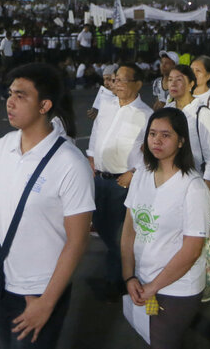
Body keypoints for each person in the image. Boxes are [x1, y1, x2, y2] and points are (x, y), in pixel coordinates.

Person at [0, 63, 95, 348]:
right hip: (3, 281)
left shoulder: (70, 164)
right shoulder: (6, 145)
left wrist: (47, 303)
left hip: (40, 292)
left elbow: (77, 242)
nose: (10, 102)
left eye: (21, 95)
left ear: (45, 105)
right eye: (10, 93)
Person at [121, 107, 210, 348]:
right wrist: (129, 275)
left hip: (176, 288)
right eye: (152, 134)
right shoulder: (141, 174)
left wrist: (153, 286)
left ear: (181, 141)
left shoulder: (193, 187)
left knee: (163, 342)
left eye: (165, 135)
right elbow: (129, 229)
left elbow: (192, 250)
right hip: (142, 277)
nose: (157, 140)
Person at [86, 63, 153, 300]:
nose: (118, 84)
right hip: (99, 177)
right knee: (102, 226)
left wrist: (134, 172)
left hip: (122, 183)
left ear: (138, 83)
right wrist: (91, 158)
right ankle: (123, 273)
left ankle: (119, 280)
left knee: (118, 234)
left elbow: (151, 151)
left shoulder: (145, 114)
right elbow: (96, 134)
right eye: (116, 80)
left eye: (123, 80)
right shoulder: (107, 105)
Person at [165, 64, 210, 191]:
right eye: (170, 80)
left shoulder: (201, 113)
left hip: (194, 183)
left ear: (191, 84)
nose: (173, 84)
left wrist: (205, 192)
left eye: (179, 80)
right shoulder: (167, 111)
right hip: (168, 181)